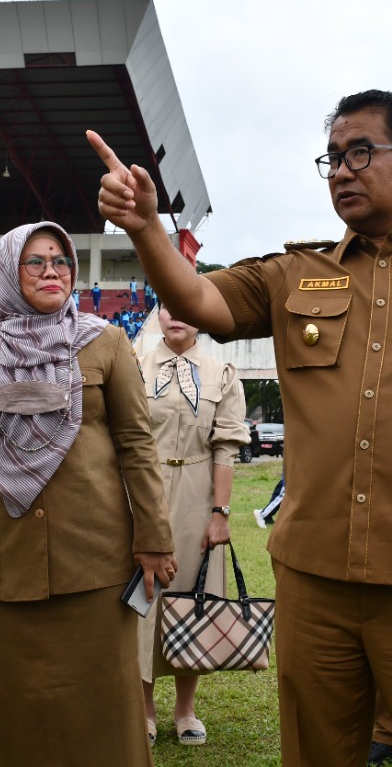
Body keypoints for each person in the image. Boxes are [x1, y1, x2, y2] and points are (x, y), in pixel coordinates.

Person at [89, 88, 392, 767]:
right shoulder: (295, 273)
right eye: (333, 157)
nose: (341, 170)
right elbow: (195, 297)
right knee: (316, 749)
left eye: (360, 153)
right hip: (318, 576)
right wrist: (145, 229)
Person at [0, 221, 176, 765]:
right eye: (35, 262)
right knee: (13, 708)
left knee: (104, 709)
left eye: (61, 260)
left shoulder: (105, 341)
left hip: (95, 560)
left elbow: (137, 445)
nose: (51, 272)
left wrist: (154, 538)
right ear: (7, 272)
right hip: (1, 561)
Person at [139, 305, 250, 746]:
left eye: (186, 308)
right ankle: (144, 710)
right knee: (142, 599)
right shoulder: (133, 365)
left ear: (200, 317)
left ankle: (185, 710)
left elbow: (226, 447)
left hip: (197, 496)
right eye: (168, 307)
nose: (177, 316)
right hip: (142, 492)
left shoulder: (222, 373)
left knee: (192, 599)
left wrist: (220, 514)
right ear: (159, 315)